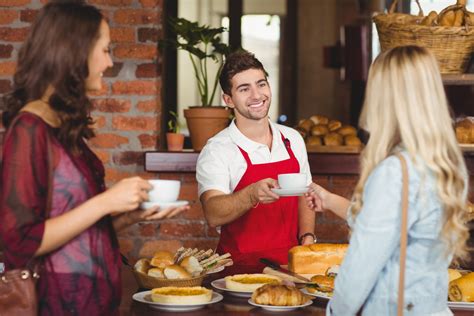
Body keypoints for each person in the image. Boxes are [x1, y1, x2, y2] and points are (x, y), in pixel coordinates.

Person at [0, 2, 188, 315]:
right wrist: (105, 201)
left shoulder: (59, 126)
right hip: (58, 302)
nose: (109, 62)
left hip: (93, 301)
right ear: (74, 51)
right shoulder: (29, 129)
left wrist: (129, 215)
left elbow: (78, 229)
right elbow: (19, 242)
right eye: (105, 50)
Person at [305, 45, 469, 315]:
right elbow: (398, 229)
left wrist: (336, 311)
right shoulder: (443, 164)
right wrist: (331, 201)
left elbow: (362, 265)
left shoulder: (395, 172)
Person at [196, 51, 315, 273]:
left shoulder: (292, 139)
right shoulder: (218, 149)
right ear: (228, 100)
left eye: (261, 84)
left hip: (291, 268)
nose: (256, 94)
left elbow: (305, 194)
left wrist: (307, 237)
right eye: (244, 89)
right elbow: (213, 213)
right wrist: (251, 194)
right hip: (239, 272)